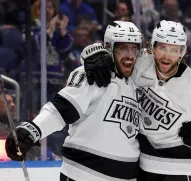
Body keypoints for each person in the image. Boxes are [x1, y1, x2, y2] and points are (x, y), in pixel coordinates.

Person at [5, 21, 143, 181]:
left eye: (134, 49)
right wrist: (32, 131)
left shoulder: (140, 81)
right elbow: (62, 109)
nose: (130, 55)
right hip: (83, 175)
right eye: (123, 48)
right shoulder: (94, 74)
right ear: (109, 47)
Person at [83, 20, 191, 181]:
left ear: (183, 51)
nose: (167, 56)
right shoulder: (140, 63)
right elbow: (108, 51)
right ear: (152, 47)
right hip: (142, 167)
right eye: (162, 48)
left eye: (174, 50)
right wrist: (91, 57)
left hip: (178, 170)